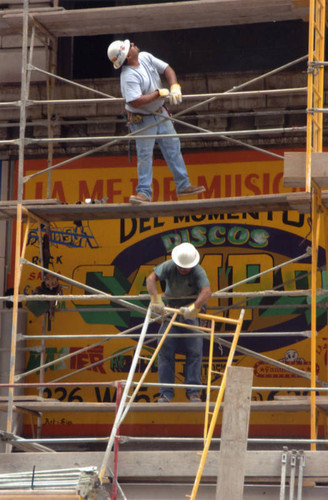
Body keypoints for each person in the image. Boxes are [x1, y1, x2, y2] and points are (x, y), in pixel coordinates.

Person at [107, 39, 205, 205]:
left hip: (160, 113)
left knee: (173, 148)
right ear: (128, 55)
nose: (133, 45)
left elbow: (167, 68)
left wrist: (175, 86)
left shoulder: (145, 57)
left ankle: (183, 185)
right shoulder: (128, 76)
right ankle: (144, 192)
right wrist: (157, 93)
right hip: (142, 119)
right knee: (145, 155)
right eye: (130, 46)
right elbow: (135, 102)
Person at [146, 242, 212, 402]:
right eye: (181, 267)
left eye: (186, 267)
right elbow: (150, 279)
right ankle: (165, 393)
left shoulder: (197, 270)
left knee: (195, 352)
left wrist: (195, 308)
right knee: (165, 351)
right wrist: (155, 300)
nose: (183, 269)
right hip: (171, 312)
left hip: (189, 314)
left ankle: (193, 392)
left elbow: (207, 291)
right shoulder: (169, 266)